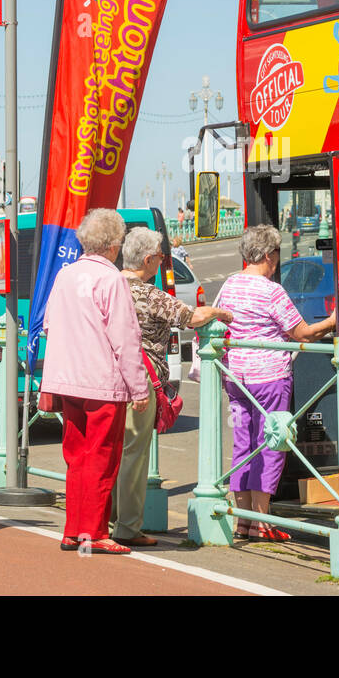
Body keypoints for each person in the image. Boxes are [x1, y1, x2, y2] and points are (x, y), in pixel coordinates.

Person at [215, 225, 336, 539]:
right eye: (278, 254)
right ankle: (263, 522)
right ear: (269, 254)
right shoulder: (271, 291)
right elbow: (303, 334)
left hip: (236, 378)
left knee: (243, 443)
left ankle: (242, 519)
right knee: (272, 444)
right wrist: (336, 320)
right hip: (269, 379)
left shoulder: (229, 285)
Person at [113, 228, 232, 546]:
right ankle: (127, 526)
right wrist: (221, 313)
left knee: (110, 450)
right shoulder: (149, 294)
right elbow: (192, 317)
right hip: (140, 381)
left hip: (106, 379)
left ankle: (106, 517)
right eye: (162, 257)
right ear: (150, 259)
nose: (163, 262)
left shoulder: (109, 287)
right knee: (134, 455)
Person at [40, 209, 150, 554]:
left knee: (77, 456)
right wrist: (140, 388)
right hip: (101, 380)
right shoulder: (112, 280)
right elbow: (126, 339)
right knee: (103, 456)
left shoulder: (65, 275)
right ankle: (95, 532)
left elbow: (48, 326)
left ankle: (74, 530)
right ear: (114, 245)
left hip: (67, 379)